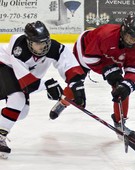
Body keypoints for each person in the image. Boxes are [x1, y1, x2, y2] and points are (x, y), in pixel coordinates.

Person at [0, 21, 86, 159]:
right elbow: (26, 82)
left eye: (44, 42)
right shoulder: (19, 48)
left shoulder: (54, 47)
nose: (42, 46)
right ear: (29, 42)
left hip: (20, 77)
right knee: (17, 99)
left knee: (22, 113)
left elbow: (69, 65)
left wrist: (76, 85)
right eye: (37, 43)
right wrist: (47, 84)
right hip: (4, 66)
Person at [50, 14, 135, 138]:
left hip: (109, 58)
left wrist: (128, 84)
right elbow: (88, 58)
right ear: (123, 30)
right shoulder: (105, 35)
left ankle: (120, 124)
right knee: (76, 86)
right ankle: (63, 102)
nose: (133, 40)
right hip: (84, 51)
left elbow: (132, 69)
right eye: (131, 36)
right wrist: (107, 71)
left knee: (121, 89)